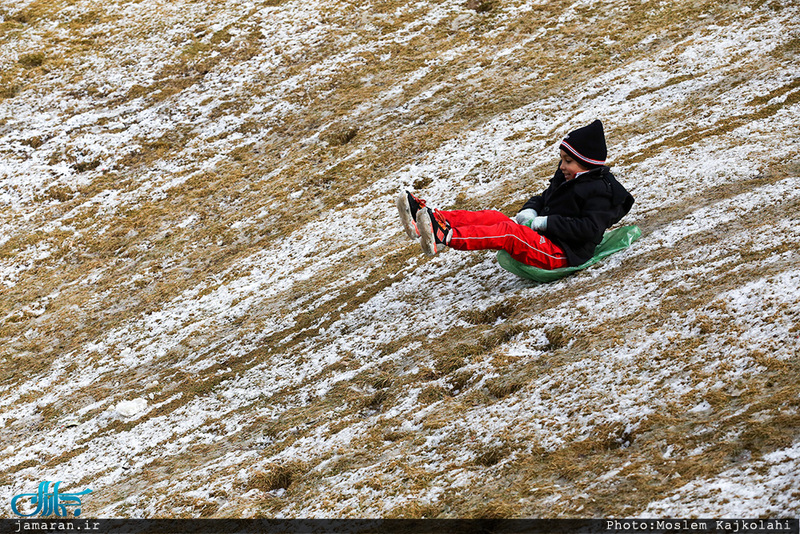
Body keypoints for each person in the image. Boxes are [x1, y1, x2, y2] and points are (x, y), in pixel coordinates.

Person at [396, 119, 634, 269]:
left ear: (586, 163)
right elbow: (545, 197)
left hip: (562, 252)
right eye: (562, 159)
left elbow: (588, 229)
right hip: (544, 237)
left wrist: (544, 223)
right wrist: (529, 210)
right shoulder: (568, 175)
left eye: (568, 161)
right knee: (492, 217)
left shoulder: (602, 192)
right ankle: (429, 217)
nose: (562, 166)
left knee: (508, 232)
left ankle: (445, 237)